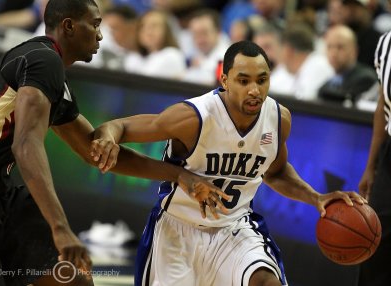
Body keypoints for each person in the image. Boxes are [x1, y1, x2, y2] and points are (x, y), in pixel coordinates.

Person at [91, 41, 366, 286]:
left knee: (266, 281)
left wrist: (317, 198)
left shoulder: (278, 119)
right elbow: (120, 127)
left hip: (234, 230)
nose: (254, 90)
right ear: (224, 80)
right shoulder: (194, 117)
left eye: (262, 80)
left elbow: (277, 172)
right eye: (243, 81)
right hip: (177, 232)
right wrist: (107, 135)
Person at [0, 0, 226, 285]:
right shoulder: (43, 60)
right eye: (95, 24)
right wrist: (60, 227)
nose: (101, 35)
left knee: (74, 278)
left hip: (1, 195)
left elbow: (94, 152)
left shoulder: (49, 75)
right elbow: (26, 145)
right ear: (68, 26)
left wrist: (179, 175)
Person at [357, 29, 391, 286]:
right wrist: (371, 166)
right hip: (390, 155)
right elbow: (383, 106)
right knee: (376, 243)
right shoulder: (385, 43)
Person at [318, 24, 378, 106]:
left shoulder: (365, 79)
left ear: (354, 50)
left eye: (340, 47)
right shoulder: (325, 84)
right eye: (329, 47)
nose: (334, 53)